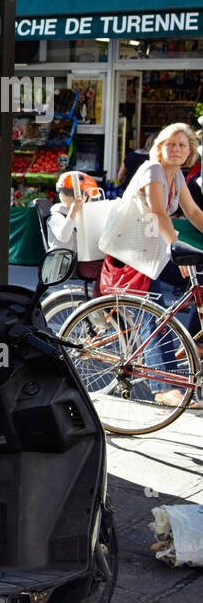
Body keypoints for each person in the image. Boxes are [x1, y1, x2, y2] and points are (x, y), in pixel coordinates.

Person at [116, 123, 203, 406]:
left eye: (182, 145)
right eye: (171, 144)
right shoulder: (153, 169)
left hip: (154, 249)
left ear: (190, 150)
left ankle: (190, 343)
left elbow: (192, 211)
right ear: (160, 147)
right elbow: (157, 213)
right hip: (135, 252)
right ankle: (163, 386)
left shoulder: (176, 174)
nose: (177, 149)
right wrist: (175, 247)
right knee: (152, 314)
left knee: (191, 289)